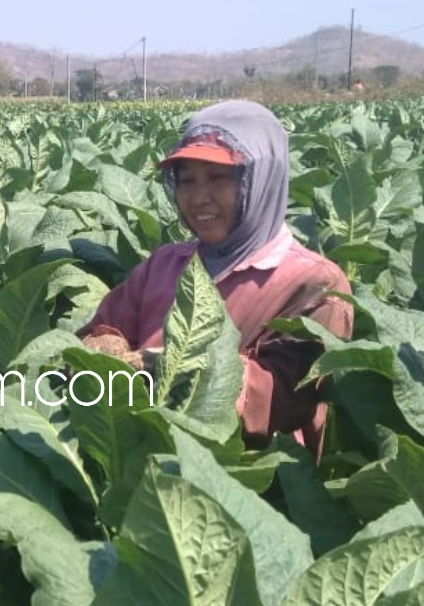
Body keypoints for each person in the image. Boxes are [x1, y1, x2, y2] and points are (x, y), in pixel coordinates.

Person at [80, 100, 352, 455]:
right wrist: (100, 347)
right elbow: (101, 331)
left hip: (248, 492)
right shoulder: (166, 263)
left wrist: (166, 368)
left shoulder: (315, 283)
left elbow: (283, 401)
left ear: (261, 180)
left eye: (218, 178)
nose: (198, 198)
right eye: (187, 181)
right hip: (138, 469)